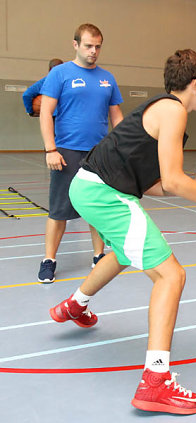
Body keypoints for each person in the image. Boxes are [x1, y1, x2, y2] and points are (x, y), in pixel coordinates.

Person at [48, 49, 196, 415]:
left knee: (125, 253)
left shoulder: (161, 111)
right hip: (103, 192)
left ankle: (74, 305)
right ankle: (155, 382)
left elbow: (154, 183)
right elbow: (173, 182)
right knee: (171, 276)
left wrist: (195, 181)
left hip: (92, 186)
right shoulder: (173, 111)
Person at [38, 23, 123, 283]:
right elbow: (45, 112)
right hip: (65, 151)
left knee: (96, 208)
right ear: (75, 45)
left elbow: (116, 116)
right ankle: (49, 259)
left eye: (98, 46)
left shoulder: (108, 78)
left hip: (99, 154)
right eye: (88, 46)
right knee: (59, 210)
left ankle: (98, 256)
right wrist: (50, 149)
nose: (93, 51)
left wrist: (123, 148)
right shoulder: (60, 74)